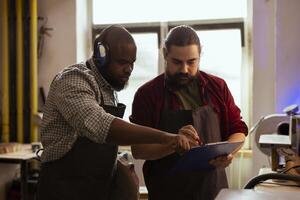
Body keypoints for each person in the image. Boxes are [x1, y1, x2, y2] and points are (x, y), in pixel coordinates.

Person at [36, 25, 199, 200]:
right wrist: (167, 137)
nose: (129, 69)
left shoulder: (108, 88)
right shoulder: (74, 79)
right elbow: (100, 125)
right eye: (122, 62)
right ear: (101, 55)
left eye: (132, 63)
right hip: (64, 189)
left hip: (96, 190)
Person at [130, 25, 248, 200]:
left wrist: (230, 153)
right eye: (177, 62)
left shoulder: (218, 87)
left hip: (213, 192)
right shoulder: (147, 95)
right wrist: (173, 144)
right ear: (165, 55)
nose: (184, 69)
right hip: (167, 193)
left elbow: (237, 129)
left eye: (191, 62)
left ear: (200, 55)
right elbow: (139, 150)